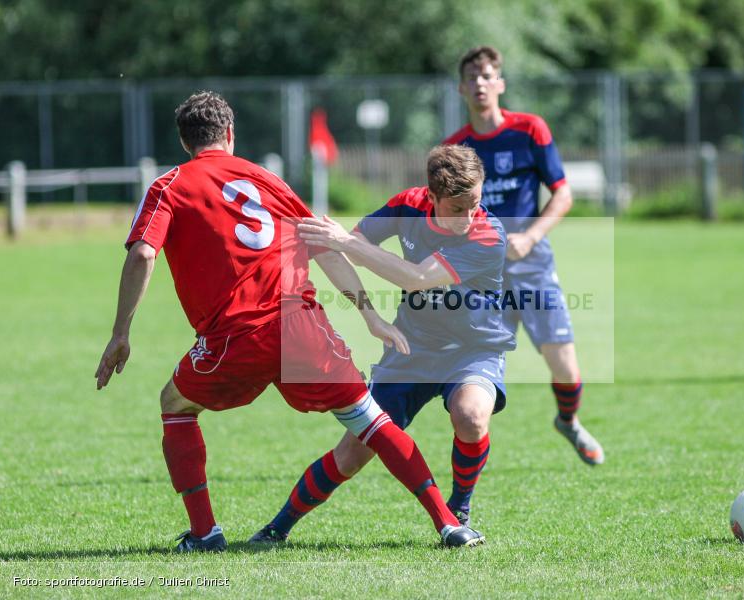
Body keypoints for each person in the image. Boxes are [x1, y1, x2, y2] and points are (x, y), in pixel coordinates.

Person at [94, 91, 482, 551]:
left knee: (175, 404)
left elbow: (142, 252)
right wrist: (369, 314)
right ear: (230, 134)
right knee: (371, 421)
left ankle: (205, 533)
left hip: (236, 334)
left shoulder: (169, 185)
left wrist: (121, 332)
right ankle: (448, 523)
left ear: (184, 141)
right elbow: (324, 248)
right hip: (303, 327)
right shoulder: (268, 180)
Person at [250, 144, 512, 541]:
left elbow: (414, 278)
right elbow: (353, 245)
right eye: (458, 208)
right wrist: (345, 247)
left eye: (475, 203)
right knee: (353, 452)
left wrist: (347, 243)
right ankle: (278, 527)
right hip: (411, 346)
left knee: (472, 416)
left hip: (472, 350)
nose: (469, 216)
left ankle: (459, 507)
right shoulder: (408, 205)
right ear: (432, 196)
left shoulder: (488, 236)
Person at [443, 46, 603, 466]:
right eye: (472, 77)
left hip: (531, 265)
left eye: (487, 75)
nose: (480, 82)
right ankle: (472, 448)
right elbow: (439, 217)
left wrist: (530, 237)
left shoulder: (530, 130)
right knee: (476, 374)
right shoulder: (454, 148)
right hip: (481, 278)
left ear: (500, 83)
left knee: (565, 365)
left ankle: (568, 421)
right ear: (462, 88)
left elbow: (562, 194)